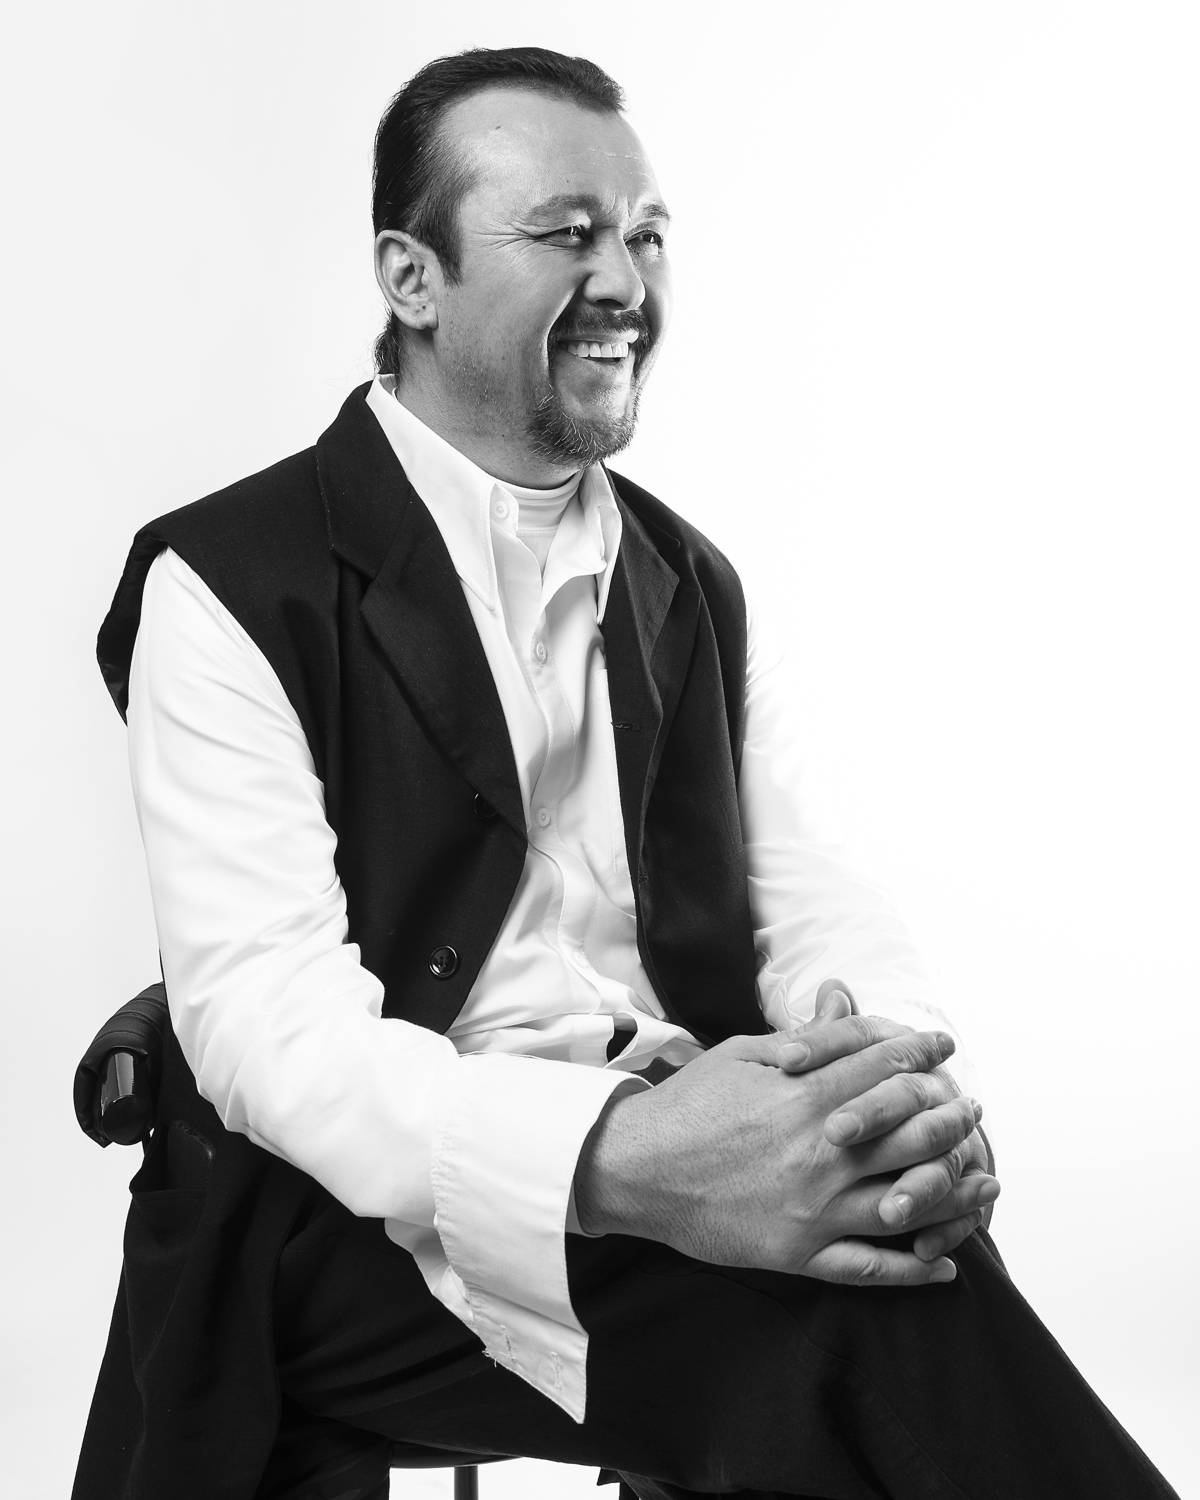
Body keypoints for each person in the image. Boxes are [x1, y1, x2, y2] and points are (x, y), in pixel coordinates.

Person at [74, 45, 1179, 1500]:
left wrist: (882, 1086)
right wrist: (629, 1159)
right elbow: (274, 1035)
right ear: (411, 277)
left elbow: (805, 887)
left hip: (681, 1139)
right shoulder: (226, 581)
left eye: (647, 235)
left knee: (901, 1258)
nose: (626, 283)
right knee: (859, 1327)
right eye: (567, 233)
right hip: (348, 1224)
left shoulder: (690, 577)